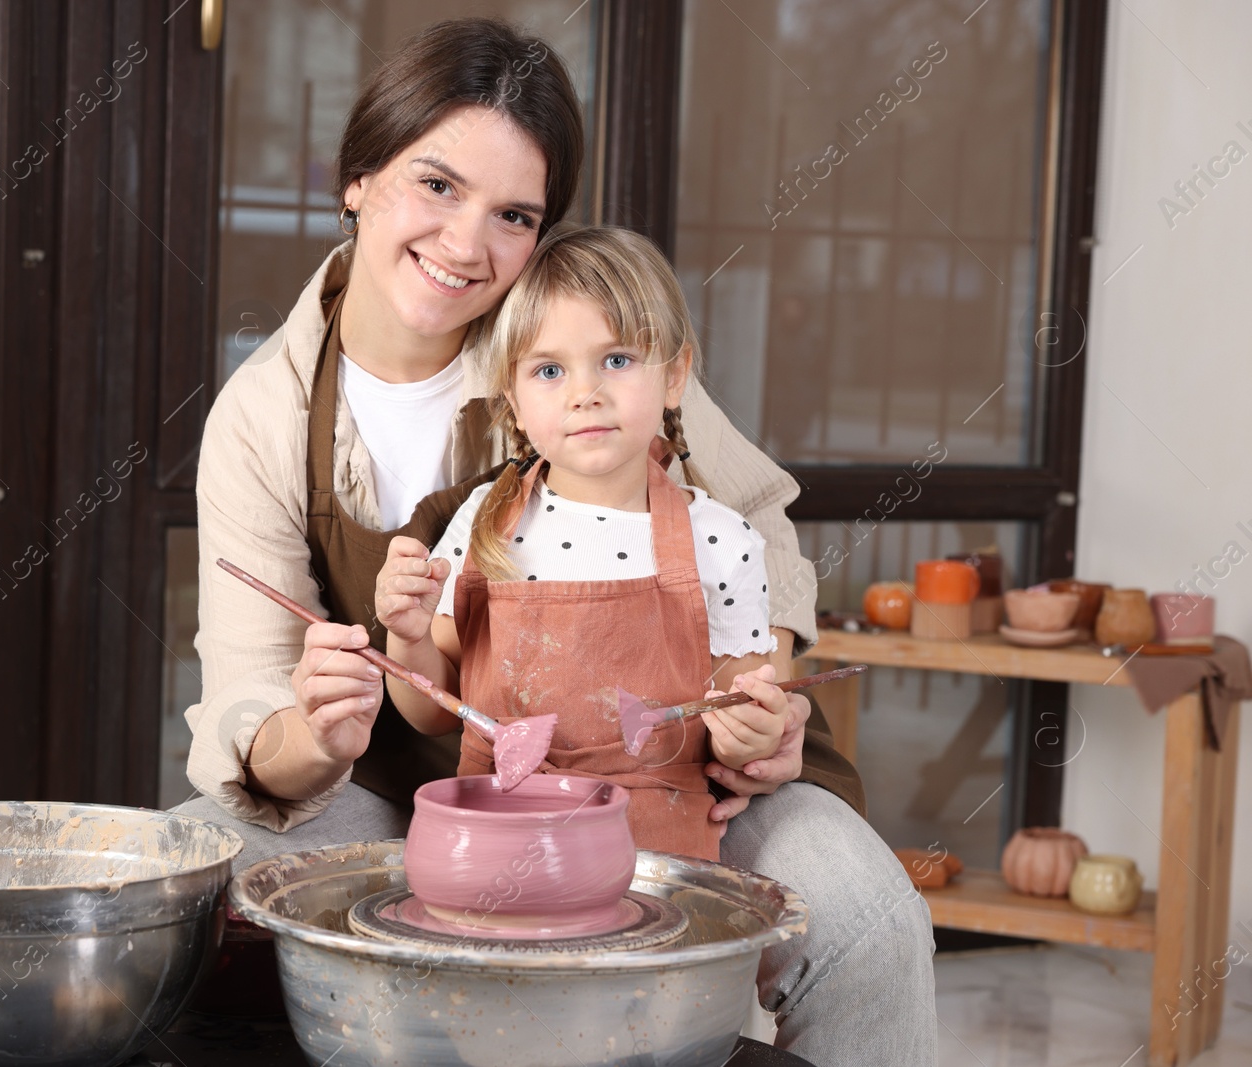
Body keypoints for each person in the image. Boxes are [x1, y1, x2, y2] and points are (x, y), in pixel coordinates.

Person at [178, 17, 936, 1065]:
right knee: (187, 883)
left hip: (667, 774)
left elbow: (758, 529)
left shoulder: (580, 343)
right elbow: (246, 695)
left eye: (513, 213)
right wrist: (317, 733)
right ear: (357, 176)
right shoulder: (264, 412)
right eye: (435, 185)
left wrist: (759, 703)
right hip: (401, 786)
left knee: (863, 920)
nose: (465, 243)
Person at [376, 226, 793, 863]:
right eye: (549, 370)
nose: (585, 392)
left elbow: (740, 716)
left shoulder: (723, 543)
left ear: (674, 376)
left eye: (618, 360)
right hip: (495, 854)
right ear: (512, 402)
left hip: (657, 867)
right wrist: (405, 634)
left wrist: (750, 737)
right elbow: (434, 712)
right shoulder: (484, 528)